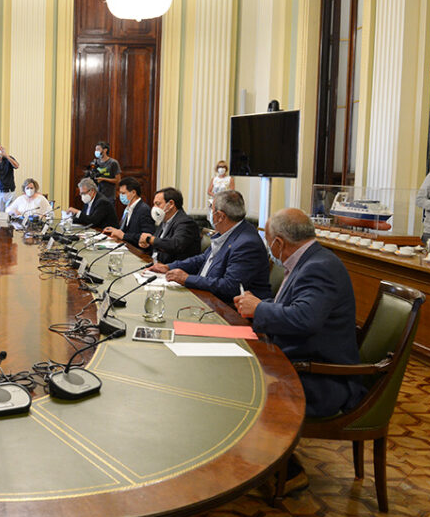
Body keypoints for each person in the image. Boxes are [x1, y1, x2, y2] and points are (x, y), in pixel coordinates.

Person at [233, 208, 367, 492]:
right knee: (238, 373)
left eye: (269, 242)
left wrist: (260, 309)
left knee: (244, 384)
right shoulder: (310, 260)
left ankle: (287, 470)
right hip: (300, 360)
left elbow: (305, 319)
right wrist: (260, 306)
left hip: (321, 379)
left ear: (278, 242)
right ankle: (262, 458)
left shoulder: (320, 267)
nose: (269, 248)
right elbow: (294, 308)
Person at [148, 190, 271, 304]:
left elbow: (230, 287)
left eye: (211, 209)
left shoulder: (247, 244)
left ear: (221, 216)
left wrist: (187, 279)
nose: (210, 214)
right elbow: (202, 259)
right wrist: (169, 267)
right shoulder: (227, 231)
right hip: (205, 296)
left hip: (226, 308)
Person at [138, 187, 200, 264]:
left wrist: (149, 239)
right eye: (154, 204)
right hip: (157, 264)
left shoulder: (186, 222)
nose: (154, 208)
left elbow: (175, 245)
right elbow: (158, 245)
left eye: (158, 204)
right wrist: (146, 245)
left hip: (174, 268)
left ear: (171, 204)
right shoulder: (164, 220)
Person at [103, 176, 154, 245]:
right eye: (120, 193)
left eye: (123, 193)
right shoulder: (128, 208)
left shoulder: (144, 209)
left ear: (133, 192)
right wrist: (115, 231)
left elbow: (147, 237)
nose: (120, 196)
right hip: (125, 245)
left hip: (137, 249)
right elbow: (125, 231)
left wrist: (123, 236)